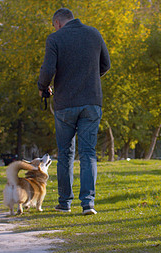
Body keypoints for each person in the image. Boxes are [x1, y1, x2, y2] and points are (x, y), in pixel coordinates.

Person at [38, 8, 110, 215]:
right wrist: (89, 79)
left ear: (58, 23)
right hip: (91, 102)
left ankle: (64, 203)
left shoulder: (55, 39)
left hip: (65, 104)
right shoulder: (94, 34)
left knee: (65, 153)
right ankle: (88, 203)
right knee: (88, 153)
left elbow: (48, 70)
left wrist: (43, 87)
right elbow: (106, 65)